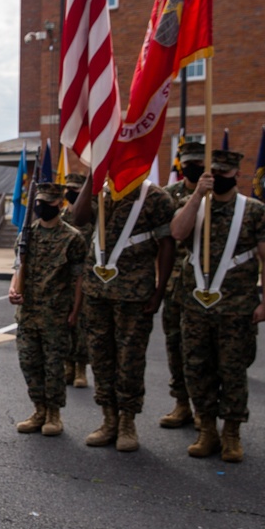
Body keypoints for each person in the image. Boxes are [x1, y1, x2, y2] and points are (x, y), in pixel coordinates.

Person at [169, 149, 265, 462]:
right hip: (196, 304)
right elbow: (176, 232)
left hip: (237, 306)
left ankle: (232, 433)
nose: (221, 178)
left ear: (236, 175)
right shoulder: (196, 207)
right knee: (198, 369)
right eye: (215, 172)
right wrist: (197, 196)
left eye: (226, 173)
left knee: (233, 370)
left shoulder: (255, 211)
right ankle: (207, 430)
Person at [71, 175, 175, 452]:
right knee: (101, 358)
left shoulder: (156, 197)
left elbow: (167, 245)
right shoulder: (101, 193)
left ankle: (128, 422)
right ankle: (109, 420)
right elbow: (78, 218)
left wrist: (159, 290)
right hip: (96, 293)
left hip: (134, 293)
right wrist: (93, 174)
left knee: (130, 360)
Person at [9, 182, 86, 436]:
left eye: (48, 204)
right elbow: (17, 268)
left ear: (60, 204)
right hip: (28, 313)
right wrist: (13, 289)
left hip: (55, 313)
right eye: (39, 203)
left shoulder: (72, 238)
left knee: (54, 366)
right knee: (29, 363)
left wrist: (75, 310)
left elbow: (78, 279)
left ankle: (54, 414)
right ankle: (39, 409)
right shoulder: (27, 235)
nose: (42, 207)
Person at [159, 141, 206, 429]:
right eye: (187, 162)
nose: (192, 167)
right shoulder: (168, 196)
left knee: (204, 352)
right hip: (176, 285)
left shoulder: (220, 196)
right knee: (175, 346)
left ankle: (205, 409)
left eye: (198, 163)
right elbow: (167, 242)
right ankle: (181, 403)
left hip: (208, 286)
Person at [61, 172, 94, 388]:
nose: (70, 193)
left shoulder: (91, 215)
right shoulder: (62, 216)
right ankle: (68, 366)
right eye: (68, 189)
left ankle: (81, 368)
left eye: (75, 190)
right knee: (64, 323)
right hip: (65, 279)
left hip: (87, 277)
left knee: (81, 324)